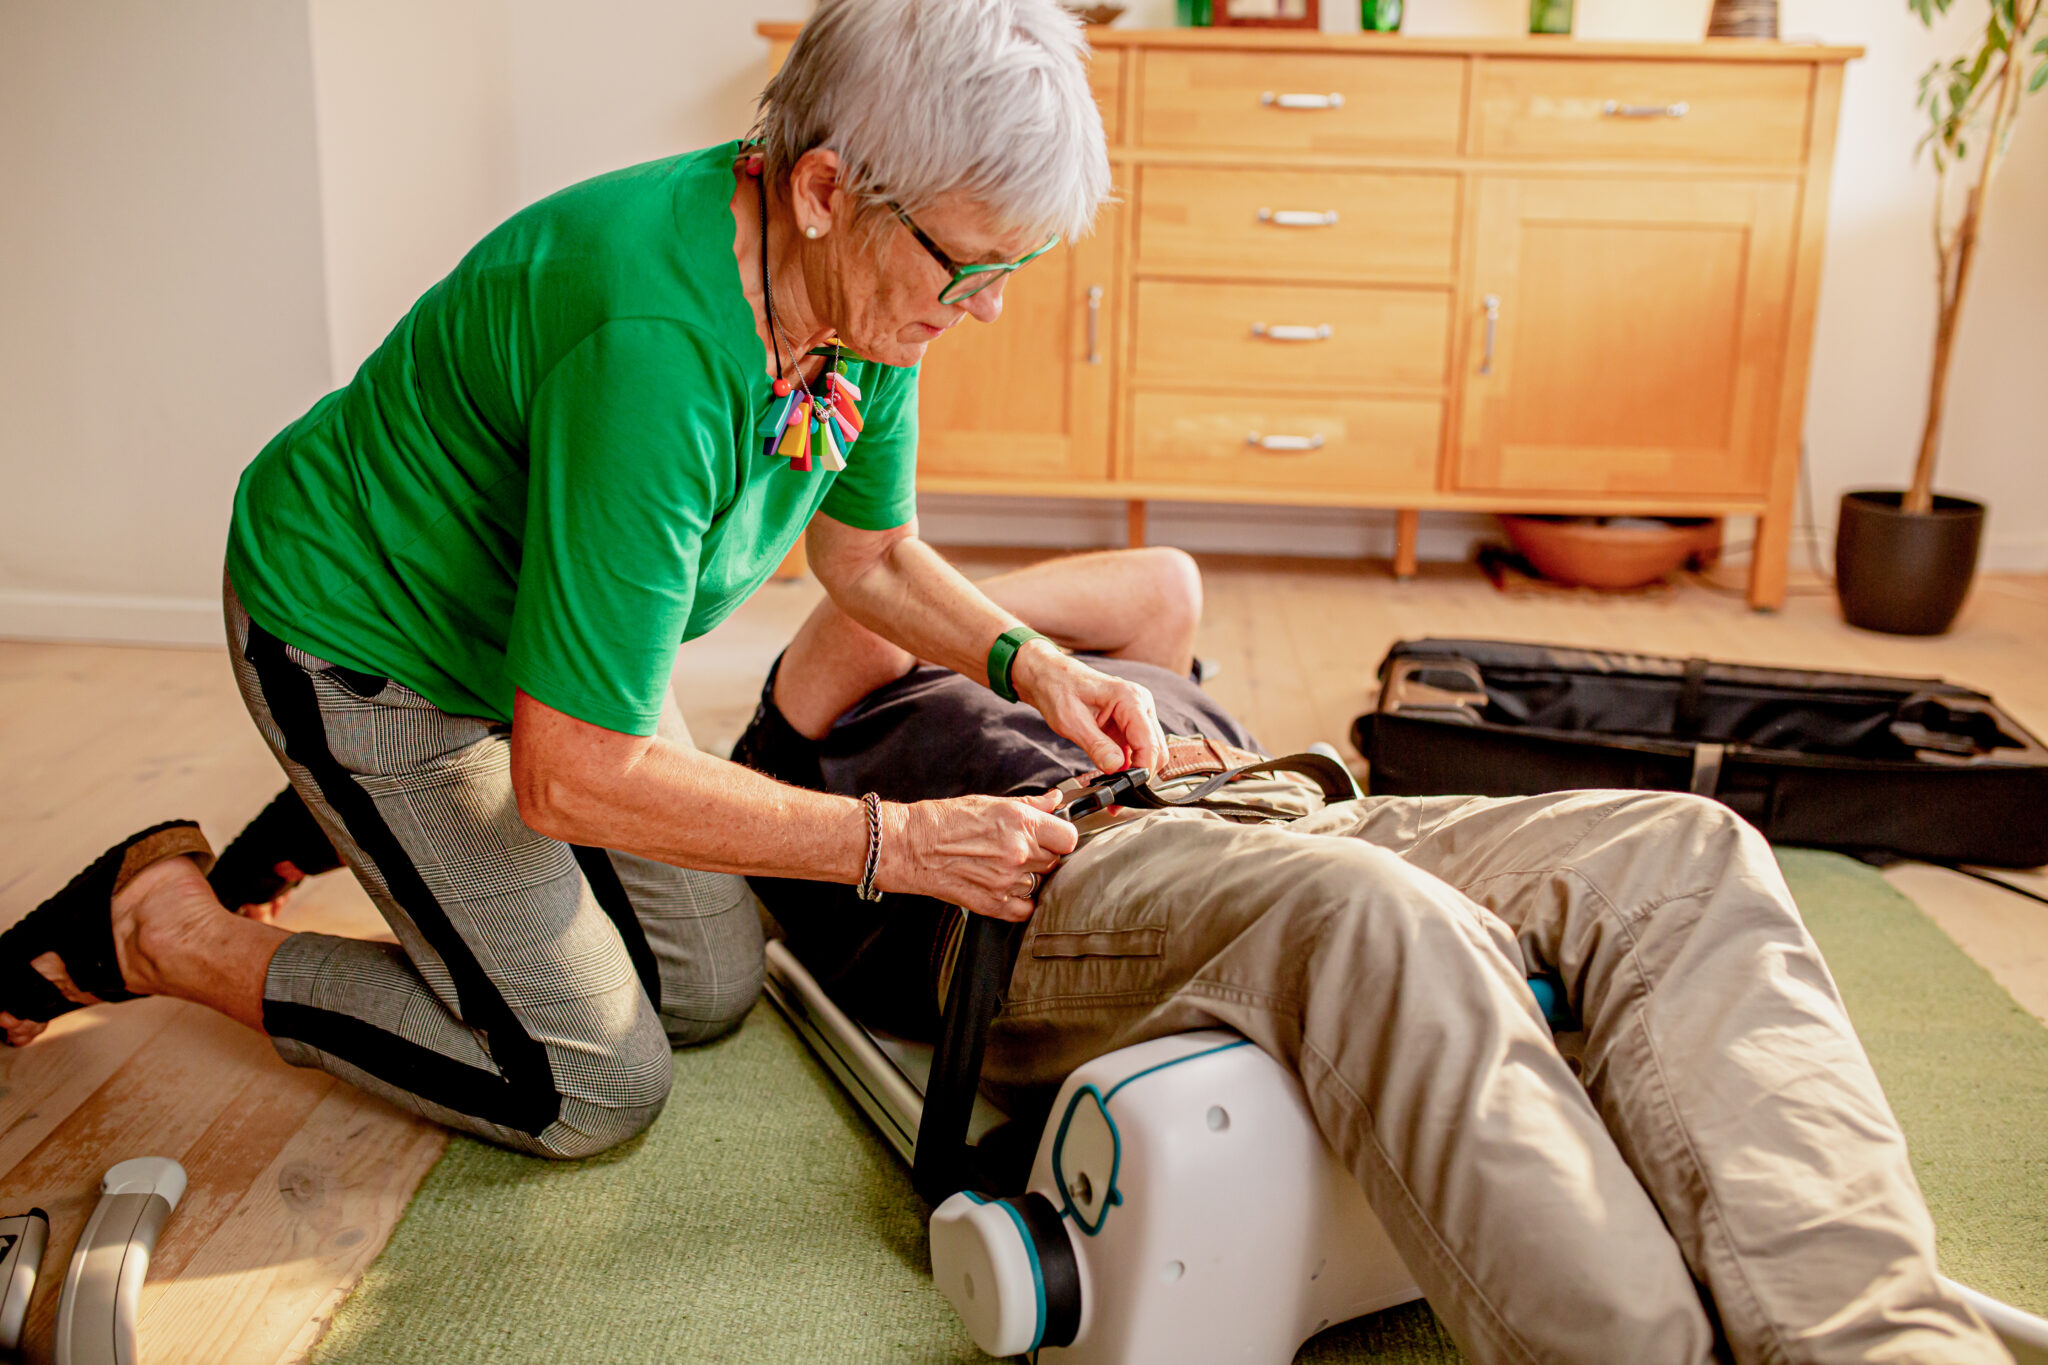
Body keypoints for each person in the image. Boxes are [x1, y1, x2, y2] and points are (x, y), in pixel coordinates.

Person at [0, 0, 1167, 1162]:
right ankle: (161, 931)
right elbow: (573, 779)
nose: (989, 304)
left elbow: (868, 555)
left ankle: (357, 820)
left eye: (1012, 264)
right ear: (823, 191)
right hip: (368, 638)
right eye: (970, 263)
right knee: (585, 1084)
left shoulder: (861, 297)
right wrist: (899, 843)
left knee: (711, 985)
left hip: (540, 649)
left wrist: (1038, 666)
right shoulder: (654, 346)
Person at [733, 547, 2012, 1365]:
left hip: (1286, 805)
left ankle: (1878, 1344)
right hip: (1056, 877)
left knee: (1682, 851)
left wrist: (1057, 664)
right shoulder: (816, 736)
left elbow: (1164, 584)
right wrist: (1006, 646)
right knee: (1374, 916)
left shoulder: (1112, 667)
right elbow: (859, 608)